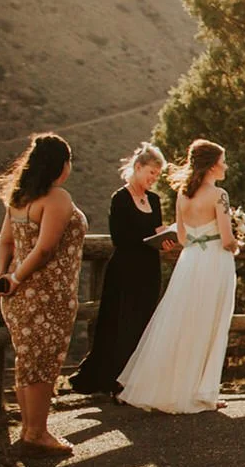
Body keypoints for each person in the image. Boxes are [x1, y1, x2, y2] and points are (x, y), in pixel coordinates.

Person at [118, 140, 239, 414]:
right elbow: (227, 238)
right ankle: (202, 392)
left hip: (190, 261)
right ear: (211, 165)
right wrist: (238, 242)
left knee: (182, 321)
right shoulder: (219, 195)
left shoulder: (183, 195)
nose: (226, 166)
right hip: (214, 262)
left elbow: (182, 238)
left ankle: (172, 388)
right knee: (210, 323)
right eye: (223, 160)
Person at [0, 133, 88, 455]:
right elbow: (45, 248)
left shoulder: (19, 200)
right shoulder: (57, 198)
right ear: (60, 165)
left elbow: (5, 243)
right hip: (48, 294)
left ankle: (29, 431)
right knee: (44, 363)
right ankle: (38, 434)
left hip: (18, 298)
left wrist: (3, 276)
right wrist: (17, 277)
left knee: (27, 361)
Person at [70, 143, 175, 395]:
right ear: (137, 168)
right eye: (151, 173)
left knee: (144, 322)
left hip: (149, 269)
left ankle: (138, 379)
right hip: (125, 269)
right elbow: (120, 237)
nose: (153, 179)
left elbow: (156, 230)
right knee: (121, 323)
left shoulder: (154, 200)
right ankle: (114, 380)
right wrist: (149, 237)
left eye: (157, 175)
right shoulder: (120, 198)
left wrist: (166, 240)